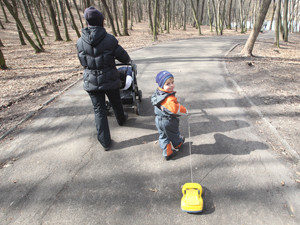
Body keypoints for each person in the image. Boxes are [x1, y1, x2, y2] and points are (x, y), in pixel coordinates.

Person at [76, 6, 131, 151]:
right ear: (101, 21)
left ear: (87, 22)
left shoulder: (79, 42)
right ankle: (121, 119)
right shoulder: (109, 39)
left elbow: (83, 61)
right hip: (109, 78)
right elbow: (124, 57)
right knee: (116, 101)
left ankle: (105, 142)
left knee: (99, 111)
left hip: (91, 80)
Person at [151, 71, 187, 160]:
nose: (171, 85)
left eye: (172, 82)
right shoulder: (169, 99)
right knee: (174, 133)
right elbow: (175, 109)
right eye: (168, 84)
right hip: (168, 121)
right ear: (162, 85)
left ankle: (167, 152)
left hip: (158, 119)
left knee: (163, 135)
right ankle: (178, 144)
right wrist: (185, 111)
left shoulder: (157, 93)